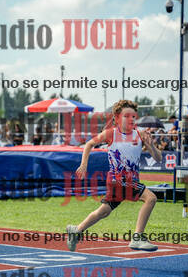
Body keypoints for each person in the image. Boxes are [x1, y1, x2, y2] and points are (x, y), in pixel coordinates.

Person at [66, 100, 162, 252]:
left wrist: (151, 146)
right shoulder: (111, 133)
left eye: (133, 116)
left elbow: (158, 158)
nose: (131, 119)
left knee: (104, 211)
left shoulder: (140, 134)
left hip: (128, 180)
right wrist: (84, 164)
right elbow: (89, 144)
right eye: (126, 116)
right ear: (117, 117)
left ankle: (76, 230)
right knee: (151, 198)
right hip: (119, 179)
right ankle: (137, 238)